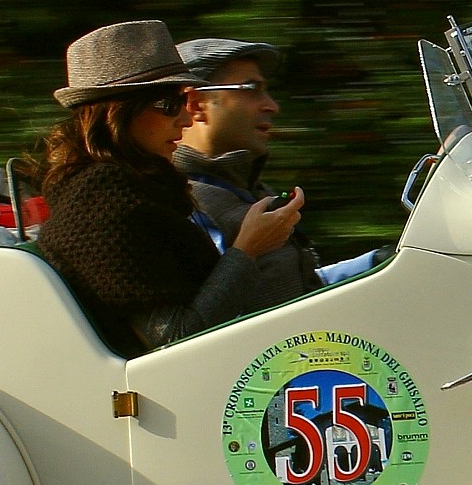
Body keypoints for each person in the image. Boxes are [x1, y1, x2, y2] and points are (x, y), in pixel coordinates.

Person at [34, 20, 303, 355]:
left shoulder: (145, 190)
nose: (185, 119)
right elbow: (175, 341)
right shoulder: (101, 201)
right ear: (119, 112)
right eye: (169, 104)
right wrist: (248, 250)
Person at [175, 36, 380, 294]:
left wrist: (378, 262)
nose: (272, 106)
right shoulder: (183, 206)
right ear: (196, 105)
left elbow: (293, 290)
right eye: (251, 88)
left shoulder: (246, 190)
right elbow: (217, 321)